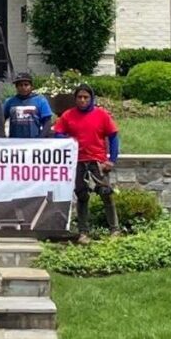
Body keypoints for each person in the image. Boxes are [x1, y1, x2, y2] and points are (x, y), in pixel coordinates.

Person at [53, 82, 120, 242]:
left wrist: (112, 160)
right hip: (78, 162)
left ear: (91, 98)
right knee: (82, 196)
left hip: (98, 162)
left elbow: (113, 137)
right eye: (79, 97)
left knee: (106, 194)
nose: (82, 100)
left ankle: (114, 230)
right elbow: (57, 134)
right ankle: (84, 232)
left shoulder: (102, 115)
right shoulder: (68, 115)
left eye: (86, 97)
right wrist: (68, 139)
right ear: (75, 99)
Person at [2, 71, 54, 139]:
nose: (23, 87)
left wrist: (41, 137)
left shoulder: (40, 100)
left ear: (32, 86)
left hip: (34, 141)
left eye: (26, 85)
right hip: (14, 142)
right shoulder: (9, 102)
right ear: (16, 87)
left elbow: (47, 121)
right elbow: (1, 120)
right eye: (20, 85)